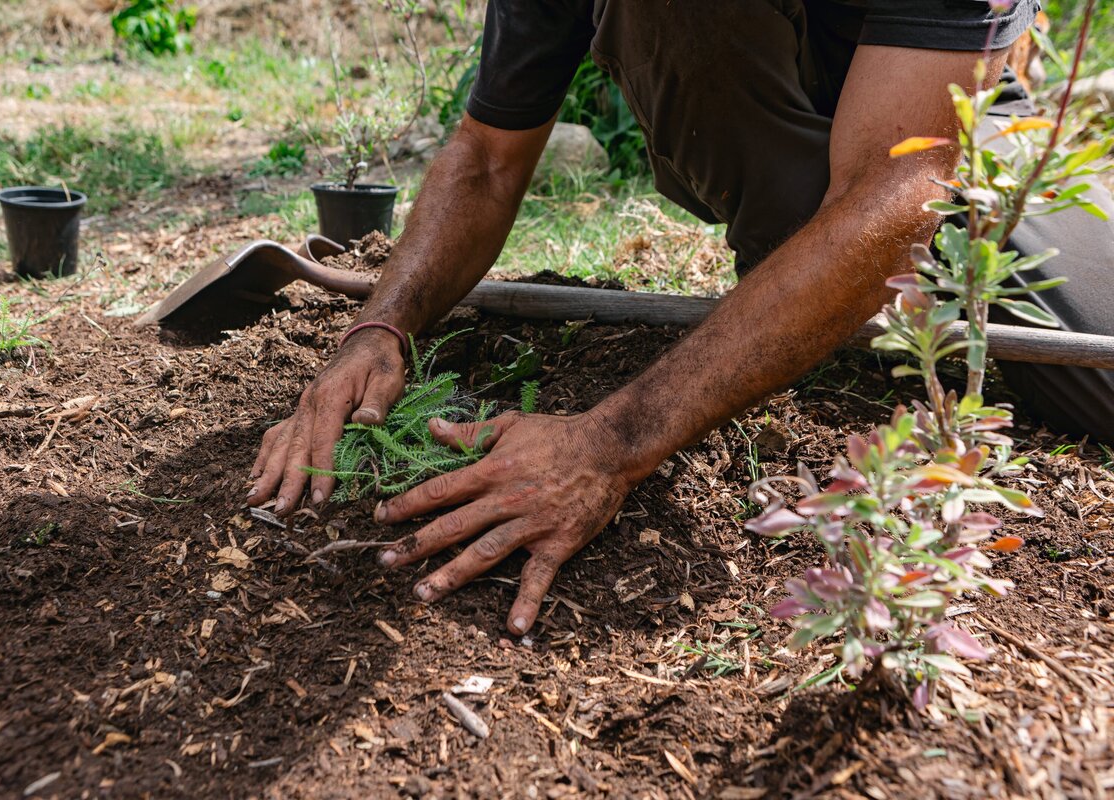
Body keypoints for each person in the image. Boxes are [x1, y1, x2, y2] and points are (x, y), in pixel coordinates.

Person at [248, 0, 1114, 635]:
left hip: (954, 132)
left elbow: (899, 192)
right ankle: (801, 267)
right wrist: (380, 324)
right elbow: (484, 156)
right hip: (789, 135)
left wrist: (606, 444)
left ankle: (826, 281)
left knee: (1094, 375)